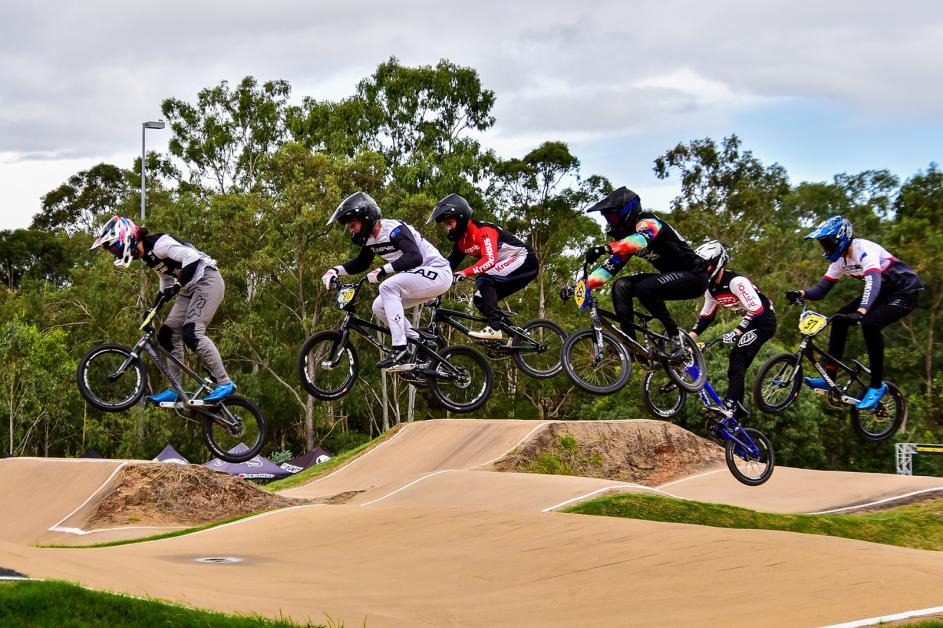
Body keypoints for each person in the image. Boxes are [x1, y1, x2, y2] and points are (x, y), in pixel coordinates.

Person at [90, 215, 235, 403]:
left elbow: (191, 257)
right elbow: (166, 282)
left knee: (192, 333)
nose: (114, 253)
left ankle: (224, 382)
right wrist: (152, 310)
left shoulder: (159, 244)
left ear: (126, 238)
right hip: (191, 286)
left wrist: (177, 285)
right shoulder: (148, 257)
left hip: (207, 280)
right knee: (166, 334)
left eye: (114, 248)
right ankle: (175, 389)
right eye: (111, 251)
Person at [786, 215, 923, 409]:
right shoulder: (839, 262)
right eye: (823, 243)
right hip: (884, 292)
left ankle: (876, 385)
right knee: (840, 319)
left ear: (841, 237)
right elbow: (821, 290)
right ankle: (829, 377)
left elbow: (873, 282)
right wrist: (800, 293)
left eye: (827, 242)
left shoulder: (863, 249)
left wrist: (861, 310)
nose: (825, 247)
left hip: (905, 291)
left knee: (870, 324)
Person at [323, 192, 452, 370]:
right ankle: (418, 340)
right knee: (378, 306)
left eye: (353, 224)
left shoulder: (394, 229)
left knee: (387, 286)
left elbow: (415, 257)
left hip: (438, 272)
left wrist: (385, 269)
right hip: (420, 276)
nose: (351, 229)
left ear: (366, 218)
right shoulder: (370, 239)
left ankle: (399, 346)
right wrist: (334, 270)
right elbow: (361, 263)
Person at [583, 186, 708, 358]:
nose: (610, 222)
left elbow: (640, 241)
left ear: (626, 211)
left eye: (612, 216)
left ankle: (675, 336)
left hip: (694, 276)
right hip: (669, 276)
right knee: (621, 285)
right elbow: (610, 268)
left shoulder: (648, 222)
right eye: (607, 218)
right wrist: (581, 286)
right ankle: (630, 345)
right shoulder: (627, 238)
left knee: (644, 288)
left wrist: (604, 249)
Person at [427, 193, 538, 341]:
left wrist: (465, 272)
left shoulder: (483, 230)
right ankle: (516, 335)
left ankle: (495, 329)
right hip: (512, 266)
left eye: (449, 223)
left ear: (460, 218)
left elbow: (489, 260)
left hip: (524, 260)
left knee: (484, 278)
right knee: (480, 299)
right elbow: (447, 268)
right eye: (446, 225)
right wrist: (434, 292)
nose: (448, 228)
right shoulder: (462, 242)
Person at [688, 241, 776, 418]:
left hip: (763, 321)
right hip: (750, 322)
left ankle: (729, 405)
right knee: (737, 367)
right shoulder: (710, 289)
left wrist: (737, 330)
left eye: (707, 265)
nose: (704, 269)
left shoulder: (736, 281)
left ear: (718, 263)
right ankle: (738, 409)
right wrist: (689, 339)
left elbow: (757, 309)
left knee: (736, 357)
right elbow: (706, 317)